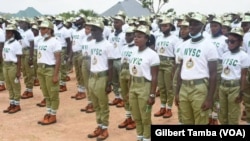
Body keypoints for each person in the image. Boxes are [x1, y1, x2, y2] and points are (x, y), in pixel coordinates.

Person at [175, 13, 219, 124]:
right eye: (190, 24)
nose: (191, 26)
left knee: (200, 122)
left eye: (195, 24)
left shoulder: (209, 46)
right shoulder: (184, 46)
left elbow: (213, 74)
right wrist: (177, 92)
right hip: (184, 87)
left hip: (199, 88)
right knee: (186, 121)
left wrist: (210, 98)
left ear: (203, 26)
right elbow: (180, 70)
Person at [129, 25, 159, 141]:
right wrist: (129, 90)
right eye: (135, 36)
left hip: (145, 86)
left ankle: (147, 137)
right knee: (136, 116)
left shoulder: (152, 55)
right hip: (133, 85)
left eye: (139, 37)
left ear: (147, 38)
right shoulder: (133, 52)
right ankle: (139, 136)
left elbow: (155, 76)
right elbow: (131, 73)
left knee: (145, 116)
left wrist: (152, 94)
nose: (136, 39)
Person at [87, 20, 114, 141]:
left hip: (102, 77)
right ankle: (99, 125)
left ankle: (105, 128)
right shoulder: (91, 44)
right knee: (95, 103)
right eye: (91, 29)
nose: (92, 32)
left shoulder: (107, 45)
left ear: (101, 31)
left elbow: (111, 65)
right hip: (92, 76)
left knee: (103, 104)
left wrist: (109, 82)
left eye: (95, 30)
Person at [219, 27, 249, 124]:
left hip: (234, 87)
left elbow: (244, 76)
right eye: (228, 41)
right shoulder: (225, 55)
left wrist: (241, 93)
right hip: (223, 86)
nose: (229, 44)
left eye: (233, 41)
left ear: (240, 42)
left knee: (233, 115)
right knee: (222, 114)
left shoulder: (244, 56)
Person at [154, 17, 180, 119]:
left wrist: (174, 68)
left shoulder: (175, 39)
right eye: (162, 26)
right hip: (160, 62)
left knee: (169, 88)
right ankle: (162, 107)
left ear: (170, 27)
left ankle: (169, 108)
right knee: (161, 87)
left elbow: (176, 55)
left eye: (166, 25)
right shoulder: (159, 38)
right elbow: (157, 51)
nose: (163, 27)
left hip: (169, 63)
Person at [37, 20, 61, 125]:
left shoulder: (55, 42)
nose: (41, 31)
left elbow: (58, 59)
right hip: (41, 69)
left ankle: (53, 115)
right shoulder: (41, 41)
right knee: (46, 93)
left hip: (50, 69)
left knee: (53, 94)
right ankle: (48, 112)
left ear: (50, 30)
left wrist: (55, 74)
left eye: (43, 29)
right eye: (40, 29)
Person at [208, 16, 228, 125]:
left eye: (216, 26)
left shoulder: (224, 40)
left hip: (219, 66)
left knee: (216, 94)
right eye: (211, 26)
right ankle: (208, 115)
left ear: (220, 27)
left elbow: (226, 56)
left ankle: (214, 117)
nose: (213, 28)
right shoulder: (207, 39)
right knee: (207, 92)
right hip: (207, 67)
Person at [118, 26, 137, 130]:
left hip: (131, 73)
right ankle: (128, 117)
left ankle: (135, 119)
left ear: (134, 36)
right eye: (126, 35)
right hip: (123, 72)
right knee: (125, 96)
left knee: (131, 97)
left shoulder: (136, 48)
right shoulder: (124, 48)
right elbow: (122, 62)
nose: (127, 37)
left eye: (129, 35)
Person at [173, 20, 190, 124]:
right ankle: (181, 121)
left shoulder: (191, 43)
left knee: (186, 98)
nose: (182, 31)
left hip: (188, 70)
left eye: (185, 28)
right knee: (178, 97)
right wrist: (174, 72)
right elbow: (176, 59)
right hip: (178, 68)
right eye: (181, 28)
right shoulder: (179, 42)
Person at [2, 24, 22, 114]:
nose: (7, 33)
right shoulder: (7, 42)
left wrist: (18, 71)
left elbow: (19, 58)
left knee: (15, 85)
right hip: (5, 65)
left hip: (12, 66)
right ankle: (12, 103)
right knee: (9, 86)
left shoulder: (16, 43)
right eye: (6, 32)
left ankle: (17, 105)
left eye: (9, 32)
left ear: (13, 33)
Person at [108, 15, 126, 107]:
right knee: (114, 80)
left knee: (121, 80)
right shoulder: (111, 35)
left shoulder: (124, 35)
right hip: (112, 59)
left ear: (122, 23)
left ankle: (123, 98)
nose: (115, 24)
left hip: (120, 59)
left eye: (117, 22)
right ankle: (117, 96)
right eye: (114, 22)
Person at [79, 21, 95, 113]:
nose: (86, 30)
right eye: (85, 28)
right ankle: (90, 102)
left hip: (92, 61)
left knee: (92, 83)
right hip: (84, 60)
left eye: (88, 28)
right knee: (86, 82)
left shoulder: (95, 40)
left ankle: (94, 103)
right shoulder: (84, 39)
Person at [70, 16, 86, 100]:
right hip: (75, 53)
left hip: (81, 53)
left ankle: (83, 92)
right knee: (77, 73)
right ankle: (80, 90)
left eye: (78, 21)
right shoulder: (74, 31)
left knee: (82, 72)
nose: (76, 22)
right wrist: (71, 55)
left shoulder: (84, 32)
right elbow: (73, 43)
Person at [19, 18, 35, 99]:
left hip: (28, 52)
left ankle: (30, 90)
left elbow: (32, 45)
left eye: (22, 22)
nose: (20, 24)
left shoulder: (29, 32)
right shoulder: (22, 32)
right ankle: (27, 89)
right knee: (24, 71)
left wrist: (31, 57)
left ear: (26, 24)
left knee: (29, 72)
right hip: (22, 52)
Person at [54, 16, 71, 93]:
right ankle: (59, 83)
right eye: (56, 22)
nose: (57, 23)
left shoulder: (65, 31)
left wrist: (68, 54)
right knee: (57, 66)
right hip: (56, 49)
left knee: (62, 67)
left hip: (63, 49)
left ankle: (63, 85)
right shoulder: (56, 29)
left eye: (58, 22)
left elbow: (69, 42)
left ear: (61, 22)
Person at [0, 18, 6, 91]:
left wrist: (1, 55)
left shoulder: (1, 32)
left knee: (1, 69)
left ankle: (2, 84)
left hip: (0, 51)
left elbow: (1, 44)